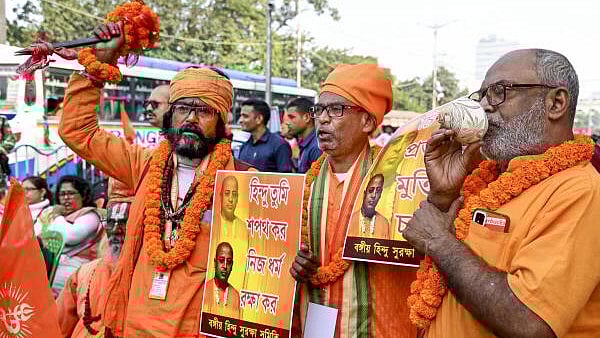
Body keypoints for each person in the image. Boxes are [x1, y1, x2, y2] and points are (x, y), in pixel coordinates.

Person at [58, 21, 248, 337]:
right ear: (170, 116)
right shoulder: (143, 164)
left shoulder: (243, 182)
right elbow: (78, 131)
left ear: (221, 123)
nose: (191, 119)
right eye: (183, 108)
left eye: (203, 111)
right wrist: (98, 66)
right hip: (135, 326)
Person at [402, 49, 600, 337]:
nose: (484, 106)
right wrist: (444, 196)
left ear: (555, 103)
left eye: (498, 91)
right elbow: (439, 273)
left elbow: (529, 323)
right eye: (481, 95)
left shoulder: (581, 191)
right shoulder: (489, 175)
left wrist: (438, 242)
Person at [289, 64, 417, 337]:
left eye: (336, 110)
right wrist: (295, 261)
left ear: (368, 122)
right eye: (319, 110)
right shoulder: (306, 184)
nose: (322, 119)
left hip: (380, 324)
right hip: (314, 320)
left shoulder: (397, 179)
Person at [56, 192, 128, 338]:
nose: (115, 230)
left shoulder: (153, 278)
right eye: (111, 222)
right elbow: (55, 327)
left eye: (124, 222)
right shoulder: (84, 273)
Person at [35, 175, 103, 295]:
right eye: (62, 194)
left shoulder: (90, 215)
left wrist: (58, 216)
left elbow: (69, 237)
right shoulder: (55, 215)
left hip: (77, 270)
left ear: (83, 195)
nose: (66, 198)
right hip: (51, 267)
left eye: (71, 193)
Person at [238, 98, 294, 172]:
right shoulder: (244, 147)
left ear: (259, 118)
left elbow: (287, 179)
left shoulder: (279, 145)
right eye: (240, 116)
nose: (240, 120)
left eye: (245, 116)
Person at [212, 175, 247, 291]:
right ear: (221, 196)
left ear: (238, 198)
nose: (231, 199)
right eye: (227, 193)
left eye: (234, 194)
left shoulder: (244, 228)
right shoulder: (211, 222)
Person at [202, 242, 241, 320]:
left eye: (229, 262)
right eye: (221, 260)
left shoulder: (235, 296)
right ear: (215, 262)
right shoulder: (204, 290)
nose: (225, 266)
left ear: (232, 265)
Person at [285, 97, 322, 173]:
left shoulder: (316, 147)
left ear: (307, 117)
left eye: (292, 117)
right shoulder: (305, 144)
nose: (287, 123)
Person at [348, 174, 390, 238]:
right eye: (371, 190)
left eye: (378, 191)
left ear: (380, 196)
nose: (373, 195)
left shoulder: (384, 223)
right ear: (364, 194)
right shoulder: (349, 220)